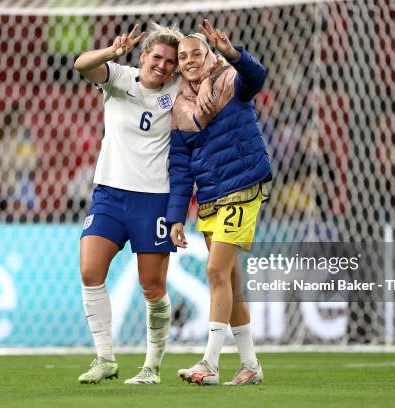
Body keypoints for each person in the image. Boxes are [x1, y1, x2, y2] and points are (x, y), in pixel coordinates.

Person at [73, 23, 184, 385]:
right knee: (91, 271)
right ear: (143, 56)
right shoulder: (119, 76)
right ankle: (105, 358)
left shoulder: (180, 90)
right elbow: (81, 64)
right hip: (109, 193)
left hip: (154, 199)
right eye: (157, 57)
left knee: (152, 286)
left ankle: (151, 367)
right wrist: (110, 51)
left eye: (170, 61)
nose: (163, 66)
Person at [167, 20, 272, 385]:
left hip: (243, 184)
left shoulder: (230, 79)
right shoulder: (180, 108)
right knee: (229, 279)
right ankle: (251, 366)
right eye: (183, 56)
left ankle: (209, 364)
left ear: (209, 53)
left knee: (214, 271)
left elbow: (256, 78)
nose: (190, 60)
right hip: (211, 195)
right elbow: (180, 168)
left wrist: (232, 54)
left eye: (197, 52)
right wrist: (176, 216)